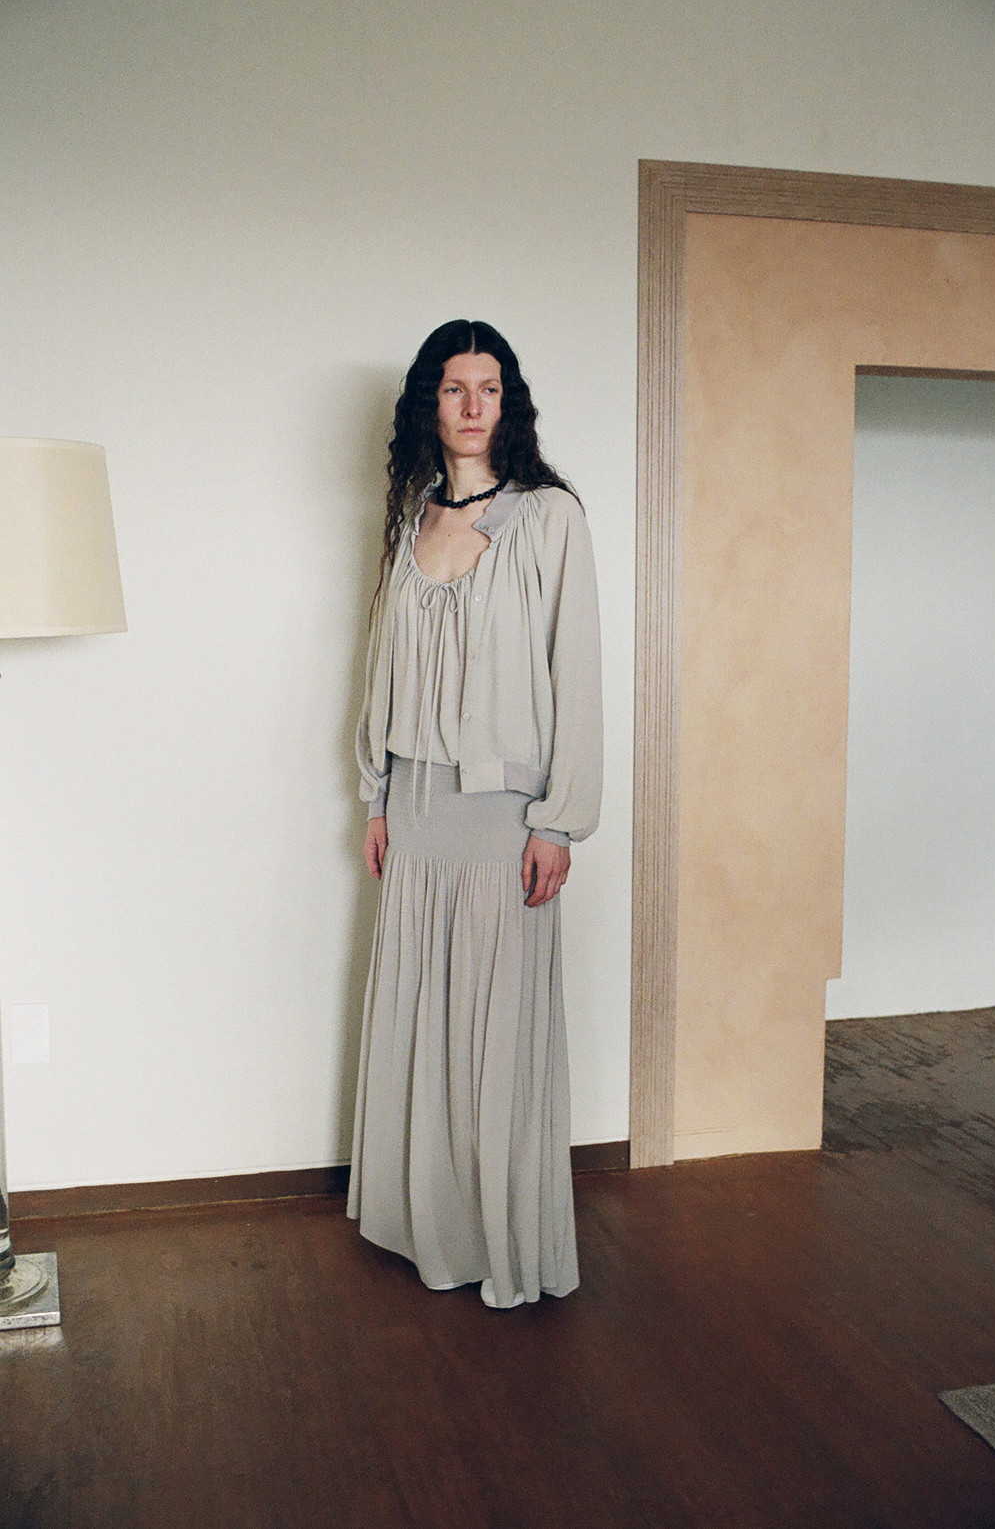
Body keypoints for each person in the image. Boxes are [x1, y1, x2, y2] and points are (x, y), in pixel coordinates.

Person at [348, 319, 602, 1309]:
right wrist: (376, 793)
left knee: (496, 1034)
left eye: (487, 388)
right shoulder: (410, 518)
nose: (469, 406)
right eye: (453, 388)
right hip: (414, 807)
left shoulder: (549, 518)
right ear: (430, 403)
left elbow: (575, 672)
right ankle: (429, 1229)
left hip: (504, 811)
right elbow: (380, 666)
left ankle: (502, 1241)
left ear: (508, 403)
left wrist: (557, 820)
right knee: (424, 1021)